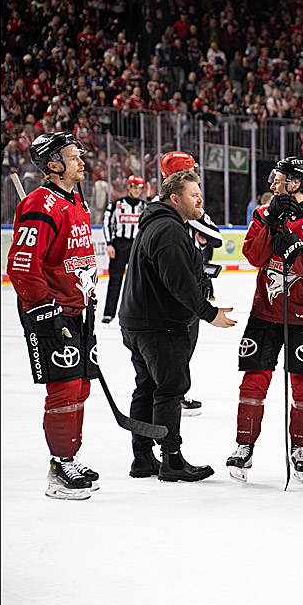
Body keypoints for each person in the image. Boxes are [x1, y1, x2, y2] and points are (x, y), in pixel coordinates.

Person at [225, 158, 303, 482]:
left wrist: (297, 256)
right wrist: (272, 224)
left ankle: (300, 447)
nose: (273, 184)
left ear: (296, 184)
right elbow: (254, 256)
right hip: (264, 313)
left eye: (279, 179)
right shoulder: (264, 214)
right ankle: (244, 445)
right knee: (253, 380)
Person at [119, 169, 236, 481]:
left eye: (200, 194)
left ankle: (142, 458)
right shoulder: (169, 230)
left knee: (147, 388)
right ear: (175, 198)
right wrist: (208, 313)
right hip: (160, 324)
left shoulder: (159, 224)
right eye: (193, 195)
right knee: (170, 390)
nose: (200, 200)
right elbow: (179, 282)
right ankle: (171, 459)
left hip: (140, 321)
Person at [8, 132, 101, 500]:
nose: (81, 162)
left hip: (79, 309)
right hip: (51, 311)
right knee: (63, 388)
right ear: (53, 165)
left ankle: (70, 457)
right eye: (73, 157)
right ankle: (60, 466)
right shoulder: (39, 204)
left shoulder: (76, 200)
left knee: (82, 386)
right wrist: (44, 309)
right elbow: (21, 266)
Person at [157, 151, 220, 416]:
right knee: (177, 343)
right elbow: (213, 235)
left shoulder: (170, 204)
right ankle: (170, 397)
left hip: (183, 282)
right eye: (192, 170)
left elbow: (216, 238)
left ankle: (172, 395)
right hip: (179, 284)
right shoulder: (173, 206)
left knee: (183, 342)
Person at [101, 174, 145, 323]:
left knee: (139, 281)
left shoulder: (145, 206)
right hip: (120, 245)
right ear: (128, 188)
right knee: (115, 279)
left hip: (137, 245)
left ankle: (138, 313)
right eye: (134, 187)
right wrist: (109, 243)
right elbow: (107, 223)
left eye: (140, 188)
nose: (137, 191)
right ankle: (109, 313)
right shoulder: (116, 205)